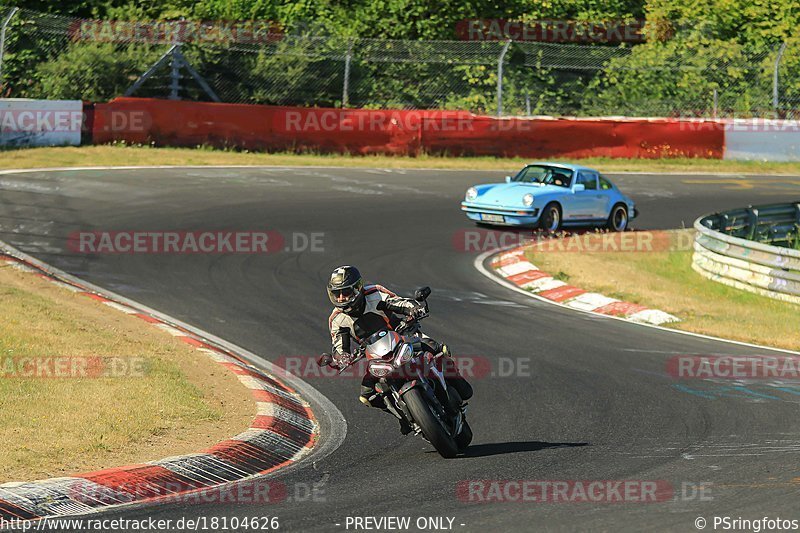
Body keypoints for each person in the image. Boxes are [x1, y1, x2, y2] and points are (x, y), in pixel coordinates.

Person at [326, 265, 473, 434]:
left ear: (358, 287)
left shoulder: (374, 293)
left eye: (346, 292)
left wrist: (413, 308)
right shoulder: (337, 319)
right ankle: (404, 416)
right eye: (337, 294)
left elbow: (397, 302)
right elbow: (339, 345)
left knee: (435, 348)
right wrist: (340, 358)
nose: (342, 298)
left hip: (403, 335)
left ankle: (458, 384)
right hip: (377, 355)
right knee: (367, 396)